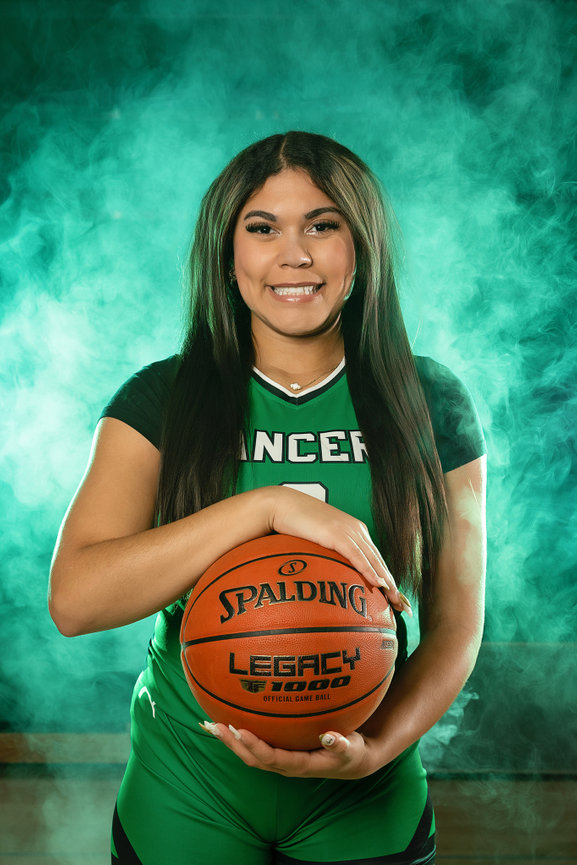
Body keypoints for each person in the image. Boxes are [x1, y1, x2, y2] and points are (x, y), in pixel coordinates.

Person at [49, 131, 486, 865]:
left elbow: (455, 624)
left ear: (361, 245)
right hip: (188, 783)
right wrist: (264, 507)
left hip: (362, 786)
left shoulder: (429, 399)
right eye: (262, 228)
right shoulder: (165, 396)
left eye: (322, 224)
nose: (295, 254)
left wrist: (374, 748)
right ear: (228, 254)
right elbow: (75, 600)